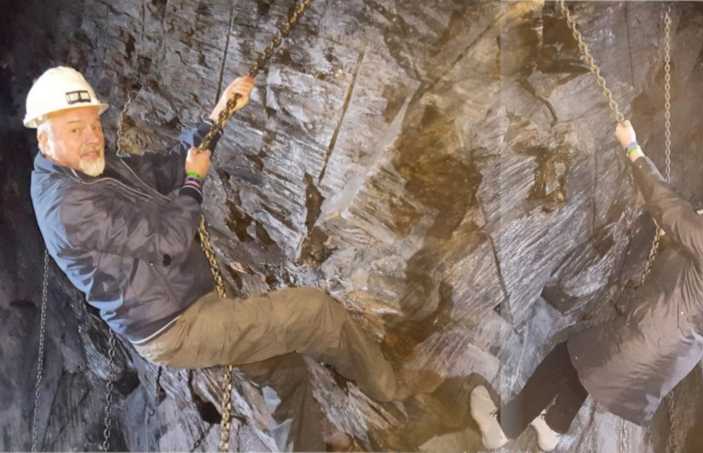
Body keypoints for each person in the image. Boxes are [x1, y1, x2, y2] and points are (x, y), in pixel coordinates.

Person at [27, 66, 440, 429]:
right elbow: (170, 239)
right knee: (318, 312)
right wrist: (193, 182)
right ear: (45, 140)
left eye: (94, 125)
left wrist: (219, 114)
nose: (92, 138)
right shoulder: (69, 206)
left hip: (185, 308)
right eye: (75, 129)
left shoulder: (92, 170)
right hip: (176, 326)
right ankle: (392, 389)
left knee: (284, 370)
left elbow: (169, 163)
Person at [470, 120, 703, 451]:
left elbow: (668, 207)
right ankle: (552, 426)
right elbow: (695, 276)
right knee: (591, 361)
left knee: (567, 355)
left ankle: (501, 429)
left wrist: (633, 149)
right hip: (670, 351)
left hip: (650, 340)